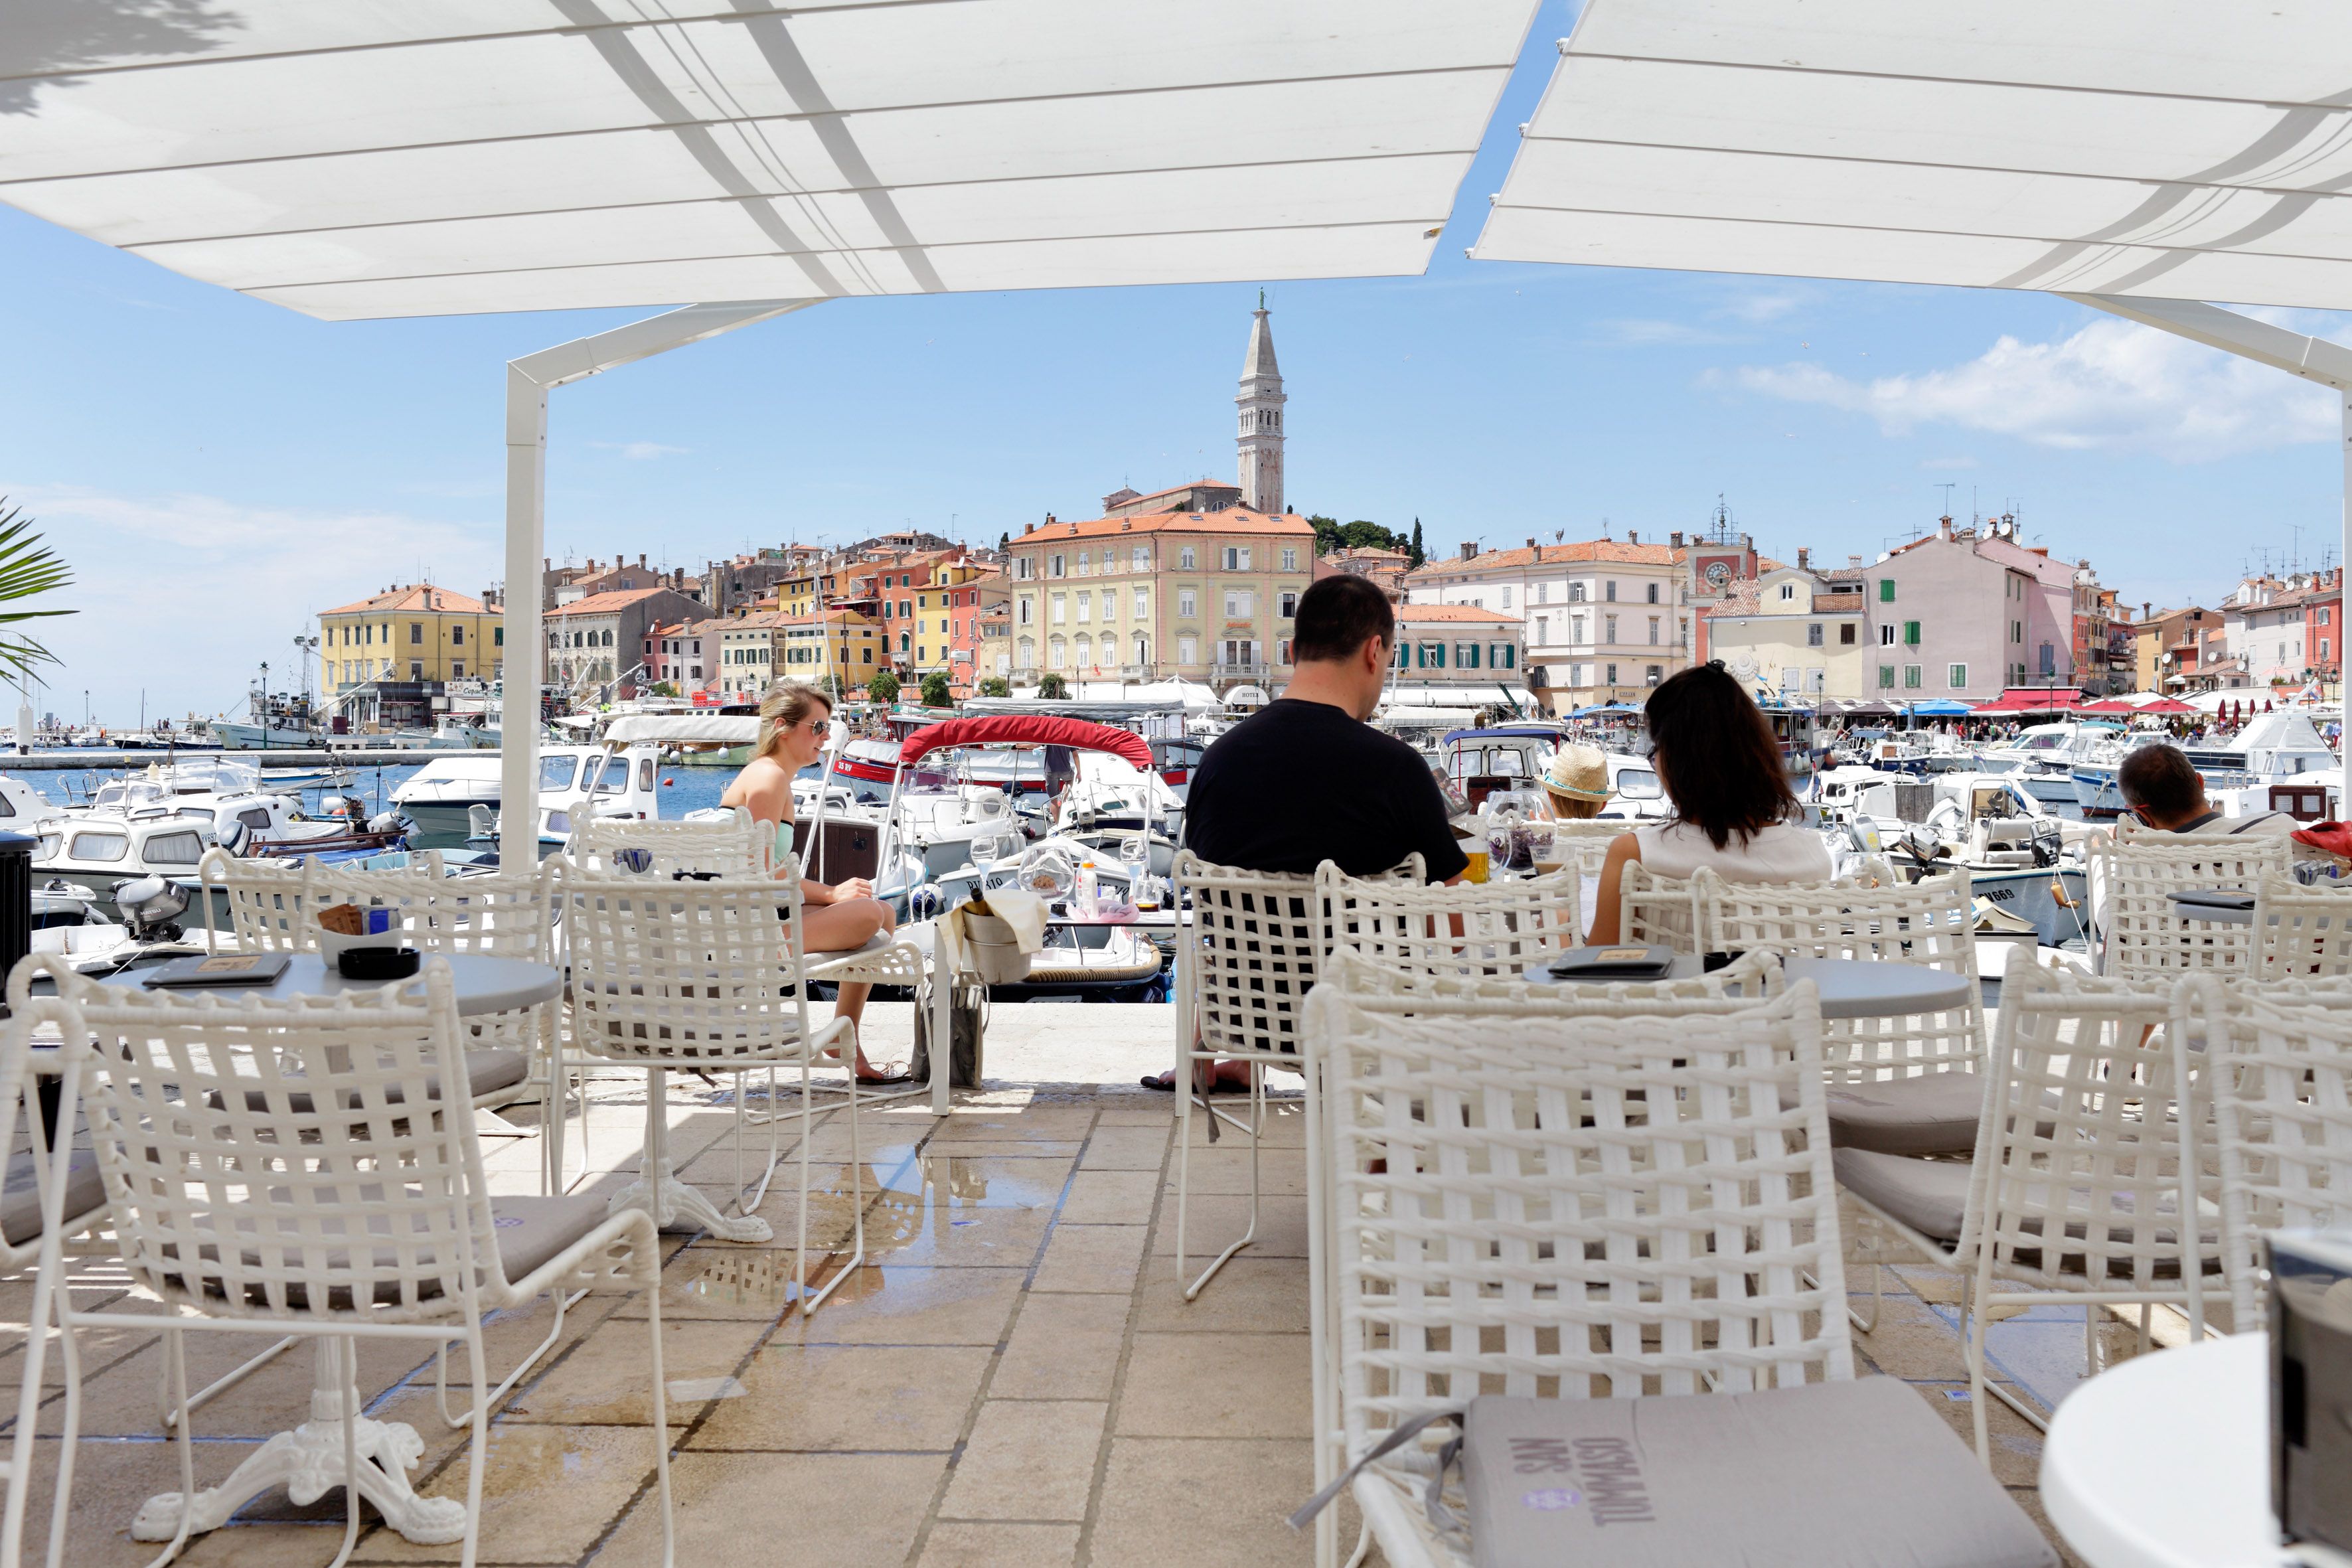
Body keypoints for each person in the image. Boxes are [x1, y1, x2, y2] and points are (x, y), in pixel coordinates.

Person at [1144, 574, 1467, 1091]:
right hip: (1363, 1027)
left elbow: (1217, 907)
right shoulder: (1395, 768)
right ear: (1374, 650)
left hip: (1249, 1024)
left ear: (1293, 651)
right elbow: (1451, 932)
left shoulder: (1218, 761)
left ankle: (1211, 1060)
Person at [721, 680, 909, 1083]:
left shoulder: (774, 778)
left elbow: (770, 871)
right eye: (817, 727)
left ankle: (845, 1037)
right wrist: (830, 893)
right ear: (782, 728)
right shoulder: (768, 779)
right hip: (750, 929)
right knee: (871, 915)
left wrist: (831, 895)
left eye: (827, 727)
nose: (825, 738)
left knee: (885, 915)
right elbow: (758, 873)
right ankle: (844, 1040)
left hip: (763, 915)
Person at [1587, 662, 1833, 945]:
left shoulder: (1636, 857)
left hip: (1674, 990)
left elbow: (1597, 971)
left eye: (1656, 751)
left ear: (1678, 759)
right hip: (1781, 989)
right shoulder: (1812, 856)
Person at [2114, 743, 2295, 836]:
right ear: (2200, 783)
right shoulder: (2281, 826)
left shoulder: (2148, 868)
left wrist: (2113, 852)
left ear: (2143, 816)